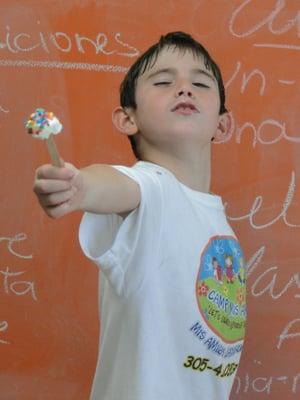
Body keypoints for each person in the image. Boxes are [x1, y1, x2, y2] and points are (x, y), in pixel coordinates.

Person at [33, 32, 246, 400]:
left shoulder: (217, 223)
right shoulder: (152, 190)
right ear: (127, 119)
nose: (184, 89)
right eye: (163, 82)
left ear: (223, 125)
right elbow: (116, 183)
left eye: (199, 82)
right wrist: (81, 186)